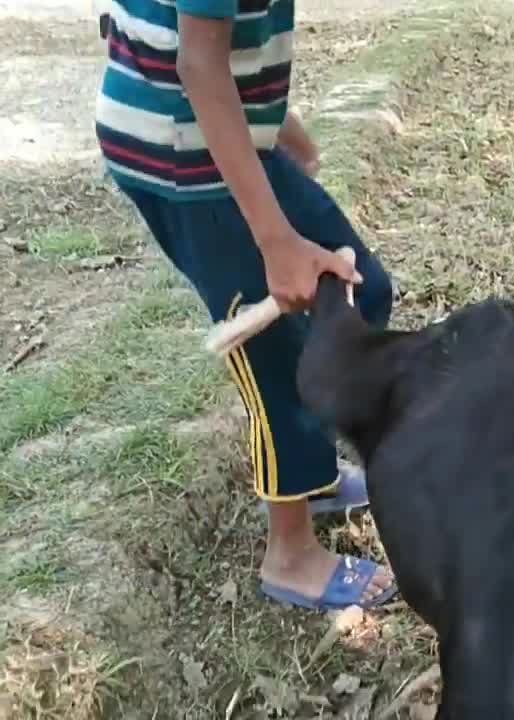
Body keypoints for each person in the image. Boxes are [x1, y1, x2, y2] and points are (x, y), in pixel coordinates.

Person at [94, 0, 397, 611]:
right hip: (182, 159)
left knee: (364, 289)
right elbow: (199, 63)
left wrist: (279, 126)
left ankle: (307, 478)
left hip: (224, 134)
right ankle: (291, 556)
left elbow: (215, 42)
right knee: (276, 360)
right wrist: (276, 240)